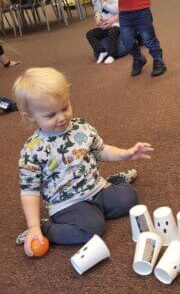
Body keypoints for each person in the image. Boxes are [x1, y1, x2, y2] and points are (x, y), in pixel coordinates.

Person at [12, 67, 154, 255]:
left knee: (129, 199)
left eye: (65, 107)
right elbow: (29, 192)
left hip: (97, 188)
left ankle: (115, 180)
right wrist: (34, 227)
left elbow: (102, 151)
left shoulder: (81, 127)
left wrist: (126, 154)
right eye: (50, 115)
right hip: (67, 204)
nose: (62, 117)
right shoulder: (32, 150)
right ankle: (46, 227)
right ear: (31, 115)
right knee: (92, 229)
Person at [86, 0, 120, 64]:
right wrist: (97, 18)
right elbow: (97, 11)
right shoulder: (98, 1)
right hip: (104, 27)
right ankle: (102, 51)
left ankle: (112, 55)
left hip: (116, 25)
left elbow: (115, 10)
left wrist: (104, 4)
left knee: (112, 32)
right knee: (90, 34)